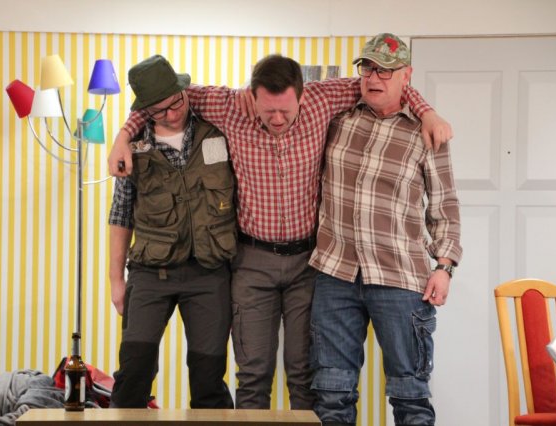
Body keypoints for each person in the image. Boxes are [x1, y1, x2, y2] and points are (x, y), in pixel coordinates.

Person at [108, 53, 452, 410]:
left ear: (302, 95)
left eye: (285, 111)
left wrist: (426, 111)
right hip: (251, 262)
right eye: (267, 110)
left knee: (304, 373)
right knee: (252, 375)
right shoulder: (229, 107)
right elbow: (162, 97)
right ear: (251, 96)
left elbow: (380, 86)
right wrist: (124, 135)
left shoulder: (322, 99)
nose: (276, 119)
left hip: (307, 264)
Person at [308, 33, 462, 426]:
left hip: (401, 277)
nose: (374, 77)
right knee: (332, 395)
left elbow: (445, 208)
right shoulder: (338, 119)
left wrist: (444, 267)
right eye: (368, 68)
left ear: (406, 76)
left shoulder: (427, 133)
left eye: (387, 70)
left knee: (410, 395)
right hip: (335, 273)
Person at [108, 55, 235, 409]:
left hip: (210, 273)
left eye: (176, 103)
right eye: (159, 110)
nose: (172, 114)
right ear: (145, 111)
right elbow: (120, 215)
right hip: (151, 273)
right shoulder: (133, 149)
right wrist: (116, 280)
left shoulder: (218, 132)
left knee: (208, 379)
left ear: (183, 91)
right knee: (134, 371)